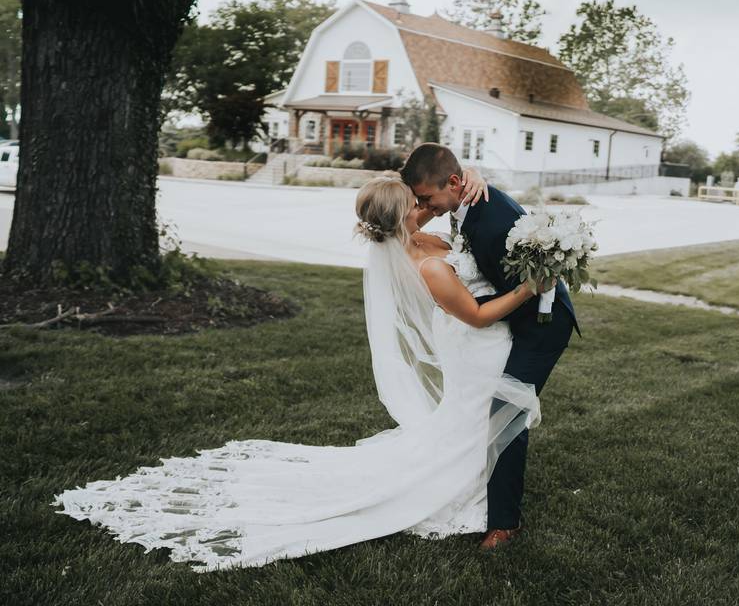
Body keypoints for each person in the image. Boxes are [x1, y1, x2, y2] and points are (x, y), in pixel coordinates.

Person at [51, 173, 548, 573]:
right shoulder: (430, 264)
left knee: (472, 418)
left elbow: (450, 217)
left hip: (471, 347)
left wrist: (470, 181)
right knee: (472, 418)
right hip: (476, 339)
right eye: (418, 201)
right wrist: (533, 285)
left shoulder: (416, 240)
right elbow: (480, 314)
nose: (426, 203)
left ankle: (483, 478)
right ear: (407, 214)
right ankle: (467, 486)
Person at [400, 143, 577, 550]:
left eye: (427, 199)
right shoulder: (464, 200)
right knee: (493, 411)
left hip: (542, 326)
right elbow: (420, 212)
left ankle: (504, 523)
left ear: (455, 183)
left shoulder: (491, 222)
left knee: (507, 413)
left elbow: (514, 288)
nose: (423, 207)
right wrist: (473, 177)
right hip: (512, 318)